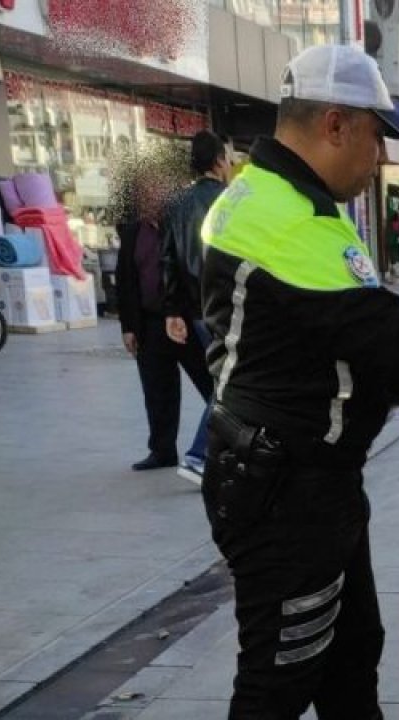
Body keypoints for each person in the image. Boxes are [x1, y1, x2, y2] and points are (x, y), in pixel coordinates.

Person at [198, 44, 399, 717]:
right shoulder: (285, 218)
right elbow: (390, 345)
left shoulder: (270, 195)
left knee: (349, 657)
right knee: (280, 676)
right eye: (377, 135)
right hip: (287, 492)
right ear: (336, 124)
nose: (380, 156)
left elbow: (313, 338)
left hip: (303, 478)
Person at [116, 167, 214, 476]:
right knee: (157, 391)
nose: (149, 199)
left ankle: (220, 445)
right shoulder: (133, 232)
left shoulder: (184, 223)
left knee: (214, 385)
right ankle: (162, 450)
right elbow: (125, 280)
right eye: (144, 194)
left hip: (187, 319)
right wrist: (129, 328)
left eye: (155, 193)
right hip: (150, 323)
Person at [161, 130, 231, 485]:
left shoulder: (177, 203)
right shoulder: (231, 200)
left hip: (194, 310)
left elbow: (169, 259)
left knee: (223, 379)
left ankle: (217, 450)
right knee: (229, 380)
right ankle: (199, 454)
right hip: (228, 307)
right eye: (228, 157)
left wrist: (173, 311)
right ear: (219, 160)